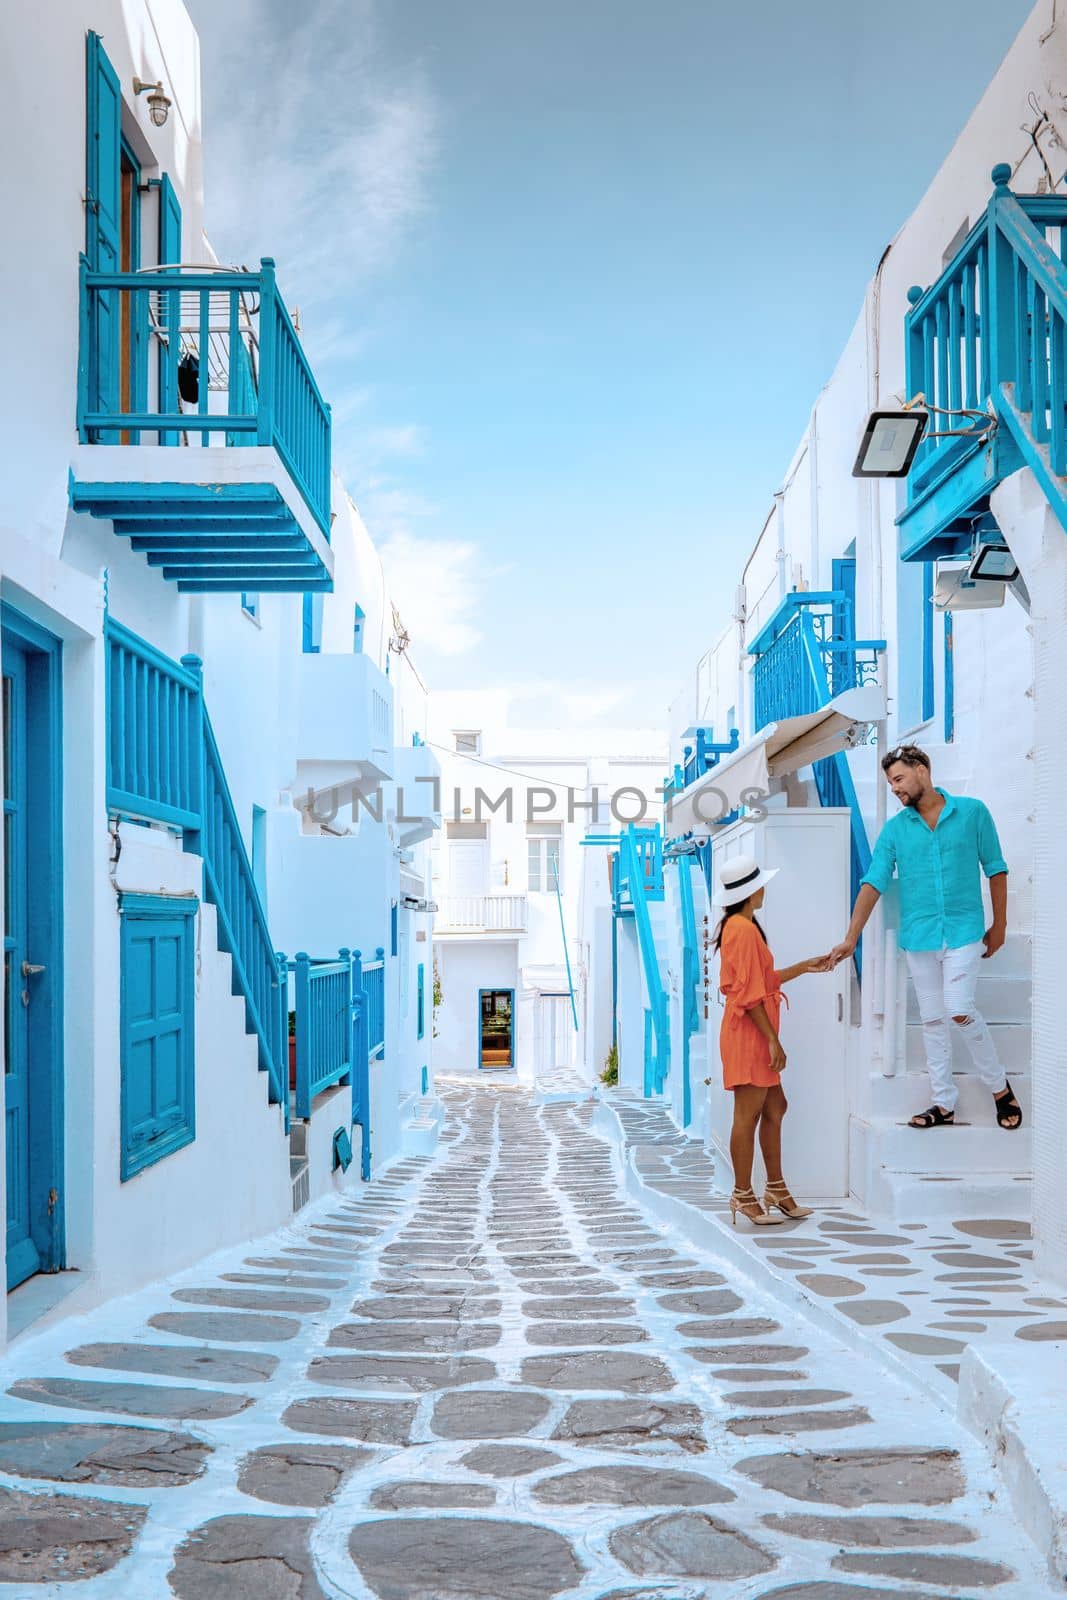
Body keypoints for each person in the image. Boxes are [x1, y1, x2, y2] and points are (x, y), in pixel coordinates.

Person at [828, 744, 1020, 1131]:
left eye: (899, 779)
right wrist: (851, 937)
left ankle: (1000, 1088)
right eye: (889, 783)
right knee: (932, 1020)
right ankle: (944, 1103)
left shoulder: (972, 812)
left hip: (965, 930)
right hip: (920, 936)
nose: (895, 789)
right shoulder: (895, 830)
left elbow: (996, 869)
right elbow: (873, 882)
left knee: (959, 1008)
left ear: (922, 770)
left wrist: (999, 926)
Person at [714, 852, 831, 1227]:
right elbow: (749, 997)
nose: (764, 888)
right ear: (751, 891)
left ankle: (775, 1189)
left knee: (775, 1106)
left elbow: (760, 983)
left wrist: (805, 966)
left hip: (749, 1028)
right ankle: (744, 1195)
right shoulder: (743, 929)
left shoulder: (741, 926)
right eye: (760, 883)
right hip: (749, 1033)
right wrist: (772, 1041)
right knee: (747, 1115)